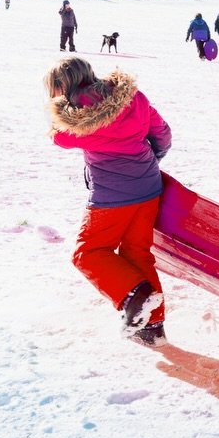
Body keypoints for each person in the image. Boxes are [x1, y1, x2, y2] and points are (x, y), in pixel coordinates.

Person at [45, 56, 172, 346]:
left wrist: (60, 110)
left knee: (88, 253)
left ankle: (135, 299)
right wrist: (152, 158)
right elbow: (162, 134)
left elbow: (58, 137)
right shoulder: (134, 98)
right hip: (149, 186)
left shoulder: (77, 120)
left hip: (112, 196)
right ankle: (152, 329)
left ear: (62, 88)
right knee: (137, 253)